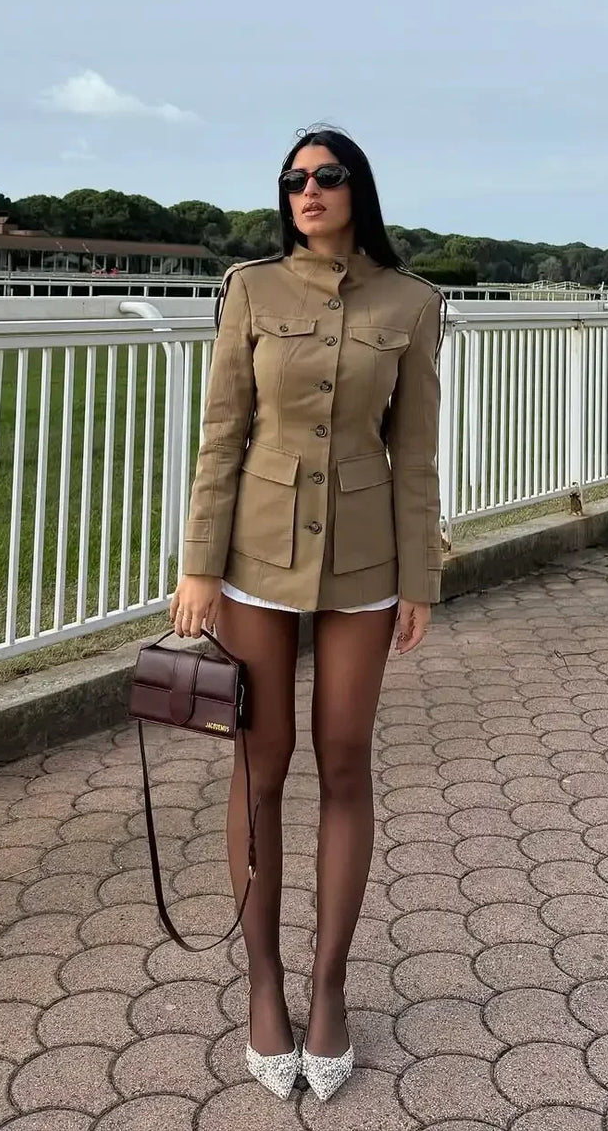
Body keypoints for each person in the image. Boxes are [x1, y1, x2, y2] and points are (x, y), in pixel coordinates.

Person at [169, 127, 445, 1102]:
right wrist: (198, 564)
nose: (308, 191)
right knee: (260, 761)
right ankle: (264, 985)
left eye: (326, 176)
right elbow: (222, 434)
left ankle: (329, 986)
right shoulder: (251, 289)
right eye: (293, 179)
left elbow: (414, 452)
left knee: (343, 760)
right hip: (253, 555)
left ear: (357, 187)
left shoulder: (411, 302)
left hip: (365, 558)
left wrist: (420, 577)